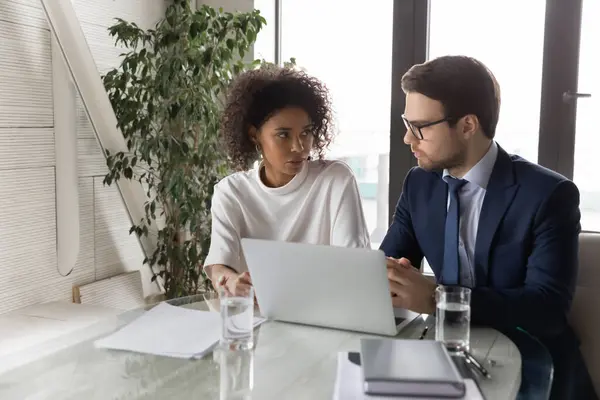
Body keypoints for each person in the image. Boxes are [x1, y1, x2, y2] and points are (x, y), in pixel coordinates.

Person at [381, 55, 596, 399]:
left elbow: (547, 308)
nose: (408, 139)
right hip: (442, 355)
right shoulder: (420, 184)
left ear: (467, 125)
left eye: (419, 127)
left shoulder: (548, 195)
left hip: (532, 356)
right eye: (407, 123)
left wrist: (438, 298)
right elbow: (389, 264)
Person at [204, 65, 371, 298]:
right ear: (254, 135)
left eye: (306, 132)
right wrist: (230, 281)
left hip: (325, 316)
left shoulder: (335, 180)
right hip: (257, 319)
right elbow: (219, 266)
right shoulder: (231, 192)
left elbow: (354, 267)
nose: (299, 147)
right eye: (283, 135)